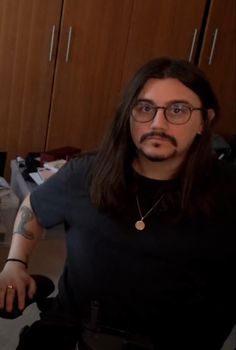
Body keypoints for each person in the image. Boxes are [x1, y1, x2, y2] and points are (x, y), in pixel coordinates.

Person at [0, 57, 235, 350]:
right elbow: (32, 207)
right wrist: (14, 263)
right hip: (73, 334)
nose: (157, 123)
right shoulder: (84, 174)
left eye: (178, 110)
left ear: (205, 121)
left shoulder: (228, 192)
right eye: (145, 108)